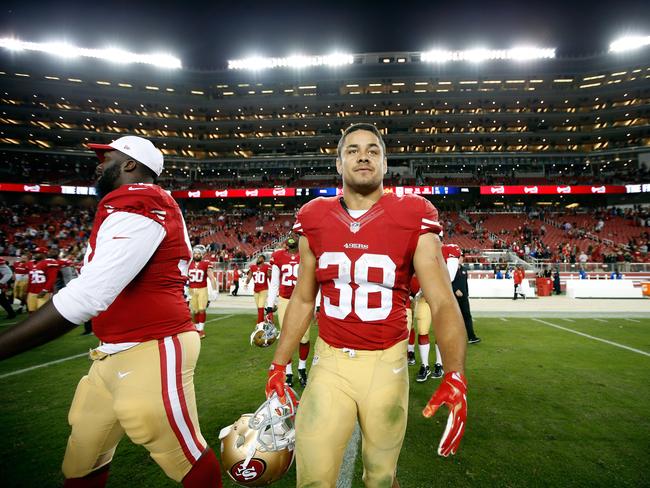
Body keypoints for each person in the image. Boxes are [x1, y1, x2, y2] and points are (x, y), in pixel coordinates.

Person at [0, 135, 222, 487]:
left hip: (152, 345)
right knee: (83, 451)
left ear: (130, 165)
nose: (99, 164)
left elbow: (89, 295)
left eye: (107, 158)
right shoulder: (128, 205)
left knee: (183, 457)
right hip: (113, 349)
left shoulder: (141, 202)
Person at [264, 123, 468, 486]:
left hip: (386, 364)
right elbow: (304, 297)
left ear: (385, 164)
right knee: (312, 475)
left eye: (373, 150)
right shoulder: (313, 215)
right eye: (353, 150)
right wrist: (278, 365)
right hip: (330, 362)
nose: (363, 156)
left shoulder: (414, 212)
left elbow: (441, 300)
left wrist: (455, 373)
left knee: (380, 476)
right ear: (338, 163)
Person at [265, 235, 309, 388]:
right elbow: (274, 283)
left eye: (296, 235)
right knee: (286, 337)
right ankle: (288, 372)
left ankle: (302, 369)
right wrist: (270, 305)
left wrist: (317, 305)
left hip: (303, 299)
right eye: (290, 234)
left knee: (304, 337)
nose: (292, 237)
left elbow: (314, 280)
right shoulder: (278, 256)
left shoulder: (308, 253)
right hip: (284, 300)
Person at [188, 244, 218, 338]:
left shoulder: (206, 264)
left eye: (198, 253)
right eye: (195, 253)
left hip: (202, 289)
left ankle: (201, 330)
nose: (196, 255)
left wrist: (214, 290)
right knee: (195, 311)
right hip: (191, 290)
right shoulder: (189, 264)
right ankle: (197, 329)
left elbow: (212, 278)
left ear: (202, 255)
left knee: (202, 309)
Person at [451, 253, 480, 344]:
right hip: (454, 298)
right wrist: (455, 290)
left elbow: (465, 283)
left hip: (464, 298)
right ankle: (454, 338)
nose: (462, 259)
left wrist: (467, 294)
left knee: (467, 316)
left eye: (462, 257)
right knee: (455, 318)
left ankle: (471, 337)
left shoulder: (464, 269)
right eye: (460, 257)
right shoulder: (451, 270)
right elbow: (447, 281)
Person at [26, 246, 61, 313]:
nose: (34, 254)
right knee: (31, 311)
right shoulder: (30, 263)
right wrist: (28, 291)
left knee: (42, 312)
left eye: (37, 253)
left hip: (44, 292)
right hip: (32, 291)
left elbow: (52, 278)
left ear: (44, 254)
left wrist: (45, 290)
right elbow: (30, 279)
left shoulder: (50, 262)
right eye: (34, 253)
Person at [246, 255, 271, 324]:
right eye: (258, 258)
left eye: (260, 258)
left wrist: (270, 273)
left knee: (261, 306)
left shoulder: (267, 266)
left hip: (264, 289)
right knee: (259, 307)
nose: (258, 259)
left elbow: (269, 276)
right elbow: (249, 276)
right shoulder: (253, 267)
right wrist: (247, 281)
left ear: (263, 259)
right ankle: (266, 317)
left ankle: (260, 322)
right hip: (256, 290)